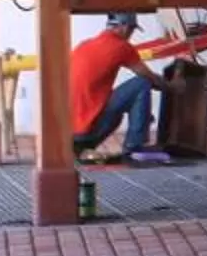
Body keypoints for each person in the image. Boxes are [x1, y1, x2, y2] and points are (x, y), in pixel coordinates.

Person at [68, 12, 170, 164]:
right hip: (86, 132)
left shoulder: (84, 45)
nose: (131, 34)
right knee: (141, 83)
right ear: (123, 27)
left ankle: (80, 149)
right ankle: (134, 148)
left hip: (68, 135)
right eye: (131, 29)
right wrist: (172, 86)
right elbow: (149, 78)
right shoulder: (121, 47)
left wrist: (143, 112)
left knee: (120, 110)